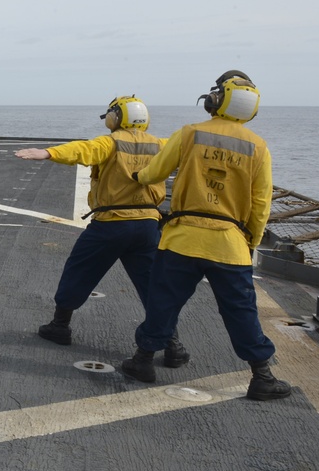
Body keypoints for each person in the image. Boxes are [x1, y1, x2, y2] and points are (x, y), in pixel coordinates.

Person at [120, 71, 291, 401]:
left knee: (163, 304)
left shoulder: (190, 134)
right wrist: (250, 241)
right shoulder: (258, 147)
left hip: (182, 240)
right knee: (241, 312)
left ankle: (143, 361)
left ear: (216, 101)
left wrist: (139, 176)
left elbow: (155, 172)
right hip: (230, 246)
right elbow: (260, 204)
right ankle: (262, 377)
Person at [15, 96, 189, 366]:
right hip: (147, 225)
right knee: (154, 285)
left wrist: (49, 152)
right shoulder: (160, 144)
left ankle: (60, 326)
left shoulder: (110, 142)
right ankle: (172, 343)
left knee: (78, 271)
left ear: (115, 118)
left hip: (111, 224)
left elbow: (82, 150)